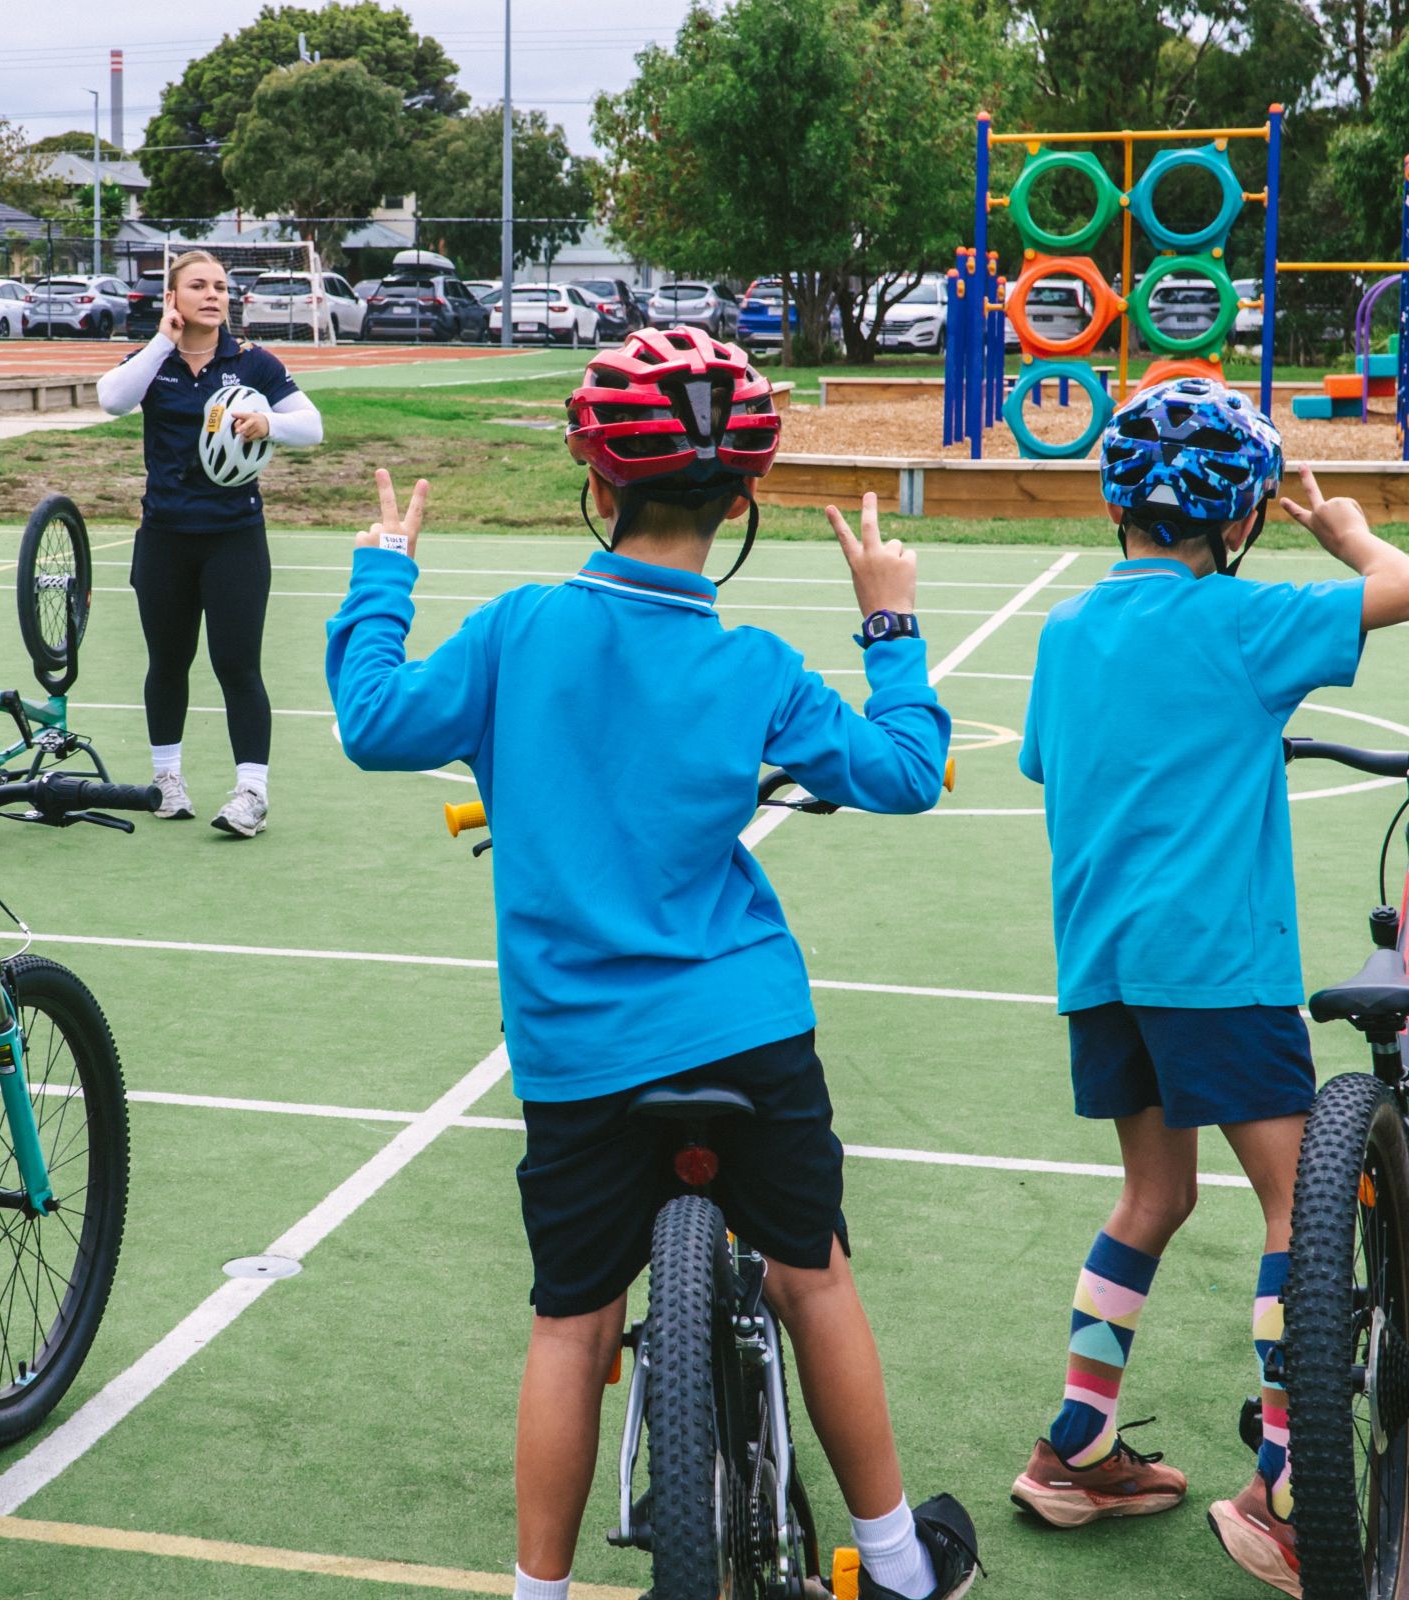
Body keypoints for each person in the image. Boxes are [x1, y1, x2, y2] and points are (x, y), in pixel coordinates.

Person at [326, 327, 978, 1600]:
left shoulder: (520, 632)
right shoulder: (753, 665)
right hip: (743, 1021)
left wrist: (385, 573)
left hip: (578, 1049)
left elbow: (370, 721)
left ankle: (539, 1590)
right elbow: (905, 771)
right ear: (741, 501)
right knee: (811, 1272)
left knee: (572, 1322)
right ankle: (898, 1562)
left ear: (597, 478)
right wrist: (888, 617)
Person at [1005, 377, 1409, 1595]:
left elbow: (1043, 759)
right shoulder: (1245, 625)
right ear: (1234, 521)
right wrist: (1348, 539)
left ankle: (1074, 1447)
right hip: (1217, 969)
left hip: (1104, 968)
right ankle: (1290, 1487)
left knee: (1153, 1195)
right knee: (1300, 1209)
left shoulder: (1066, 634)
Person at [95, 249, 324, 838]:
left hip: (234, 539)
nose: (213, 295)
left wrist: (271, 422)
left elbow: (314, 426)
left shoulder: (252, 363)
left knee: (237, 666)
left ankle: (252, 793)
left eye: (221, 286)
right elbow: (112, 400)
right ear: (173, 298)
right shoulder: (155, 362)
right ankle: (166, 781)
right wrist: (161, 342)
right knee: (167, 664)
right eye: (197, 285)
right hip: (165, 537)